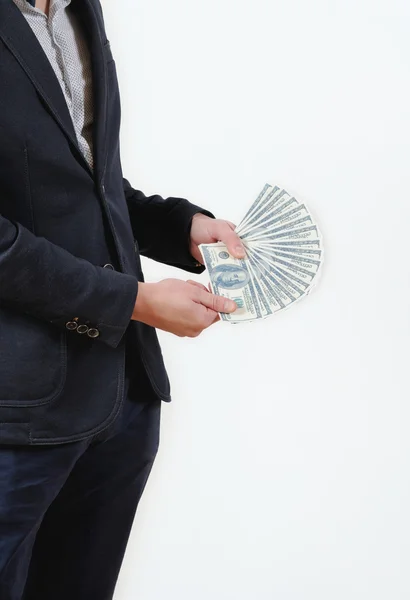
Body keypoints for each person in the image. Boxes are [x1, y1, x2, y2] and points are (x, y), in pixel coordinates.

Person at [0, 0, 245, 598]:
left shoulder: (81, 10)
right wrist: (131, 301)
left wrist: (176, 226)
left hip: (122, 396)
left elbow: (78, 178)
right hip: (16, 414)